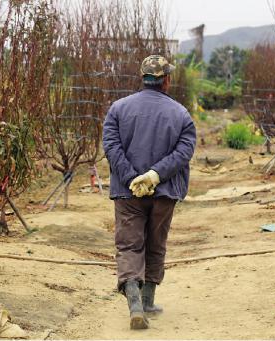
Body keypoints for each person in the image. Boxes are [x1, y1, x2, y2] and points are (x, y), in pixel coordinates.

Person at [102, 55, 196, 330]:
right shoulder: (181, 114)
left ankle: (134, 304)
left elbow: (111, 147)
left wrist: (132, 178)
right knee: (156, 243)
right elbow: (184, 151)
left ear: (142, 78)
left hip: (127, 193)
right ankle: (148, 301)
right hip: (164, 192)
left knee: (129, 245)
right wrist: (155, 175)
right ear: (166, 80)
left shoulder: (118, 109)